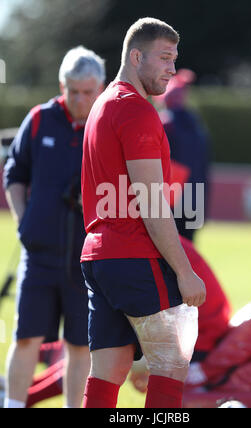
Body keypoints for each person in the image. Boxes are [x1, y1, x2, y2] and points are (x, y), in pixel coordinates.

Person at [80, 17, 206, 409]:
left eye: (174, 58)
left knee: (108, 370)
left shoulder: (102, 103)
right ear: (136, 56)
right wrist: (185, 272)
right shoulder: (136, 111)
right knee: (172, 362)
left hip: (98, 258)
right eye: (164, 57)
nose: (171, 67)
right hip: (134, 255)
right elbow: (152, 204)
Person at [2, 46, 106, 408]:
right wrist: (24, 220)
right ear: (62, 86)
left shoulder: (107, 125)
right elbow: (14, 172)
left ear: (101, 87)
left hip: (86, 257)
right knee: (26, 336)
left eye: (87, 91)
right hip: (40, 254)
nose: (79, 99)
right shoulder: (40, 119)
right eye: (72, 90)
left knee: (80, 344)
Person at [21, 235, 230, 408]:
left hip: (199, 338)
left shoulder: (143, 244)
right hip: (191, 326)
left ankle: (23, 396)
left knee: (103, 358)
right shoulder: (150, 239)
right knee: (100, 357)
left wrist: (142, 364)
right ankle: (21, 391)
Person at [154, 68, 211, 242]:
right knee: (189, 254)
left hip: (171, 200)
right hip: (196, 199)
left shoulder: (164, 122)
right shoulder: (197, 125)